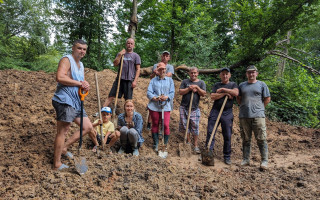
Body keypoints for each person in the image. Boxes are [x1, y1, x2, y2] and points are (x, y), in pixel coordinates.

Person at [52, 39, 93, 171]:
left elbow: (80, 82)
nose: (82, 51)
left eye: (84, 49)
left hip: (77, 101)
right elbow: (60, 77)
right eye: (79, 48)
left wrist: (85, 85)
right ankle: (56, 164)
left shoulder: (81, 65)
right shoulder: (66, 59)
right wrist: (79, 83)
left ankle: (64, 147)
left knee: (87, 127)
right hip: (64, 99)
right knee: (63, 130)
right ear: (73, 48)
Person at [236, 65, 271, 169]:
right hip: (244, 116)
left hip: (258, 116)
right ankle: (246, 159)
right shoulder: (242, 85)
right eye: (249, 72)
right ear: (246, 74)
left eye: (253, 72)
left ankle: (264, 161)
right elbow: (239, 99)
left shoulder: (262, 84)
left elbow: (267, 98)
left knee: (261, 138)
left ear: (256, 73)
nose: (251, 74)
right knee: (246, 139)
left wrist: (260, 108)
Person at [206, 67, 238, 165]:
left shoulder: (233, 84)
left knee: (227, 135)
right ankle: (208, 153)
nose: (225, 76)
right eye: (223, 74)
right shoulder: (216, 85)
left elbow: (236, 93)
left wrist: (224, 89)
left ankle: (227, 156)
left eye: (226, 74)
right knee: (210, 132)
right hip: (215, 111)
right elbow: (212, 96)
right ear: (220, 75)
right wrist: (225, 94)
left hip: (227, 112)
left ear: (229, 75)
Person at [103, 38, 141, 107]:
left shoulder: (136, 56)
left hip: (129, 80)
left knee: (128, 100)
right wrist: (120, 55)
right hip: (120, 79)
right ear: (126, 44)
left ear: (134, 46)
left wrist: (135, 81)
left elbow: (138, 69)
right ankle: (101, 111)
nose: (129, 45)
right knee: (111, 96)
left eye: (131, 44)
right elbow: (115, 64)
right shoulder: (121, 54)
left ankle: (128, 115)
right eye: (128, 43)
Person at [147, 62, 175, 152]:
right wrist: (154, 98)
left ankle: (164, 144)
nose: (162, 70)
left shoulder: (170, 80)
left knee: (166, 125)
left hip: (165, 106)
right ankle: (156, 143)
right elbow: (149, 92)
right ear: (157, 70)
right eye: (160, 69)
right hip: (154, 106)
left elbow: (172, 92)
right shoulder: (153, 81)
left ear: (166, 70)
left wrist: (167, 97)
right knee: (155, 124)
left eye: (164, 69)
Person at [178, 67, 206, 154]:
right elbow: (180, 92)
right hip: (184, 107)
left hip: (194, 108)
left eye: (195, 73)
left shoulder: (201, 83)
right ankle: (189, 142)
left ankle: (196, 145)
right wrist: (189, 89)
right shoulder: (185, 82)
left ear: (197, 73)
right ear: (189, 73)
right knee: (185, 125)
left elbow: (203, 94)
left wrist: (197, 88)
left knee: (195, 126)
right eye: (191, 73)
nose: (193, 74)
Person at [147, 51, 174, 130]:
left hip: (166, 89)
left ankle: (163, 126)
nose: (165, 57)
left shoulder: (170, 67)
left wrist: (159, 72)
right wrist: (154, 73)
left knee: (166, 106)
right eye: (164, 55)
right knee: (152, 105)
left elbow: (168, 75)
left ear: (169, 58)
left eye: (167, 56)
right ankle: (149, 122)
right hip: (156, 87)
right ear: (161, 56)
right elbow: (151, 77)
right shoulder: (155, 65)